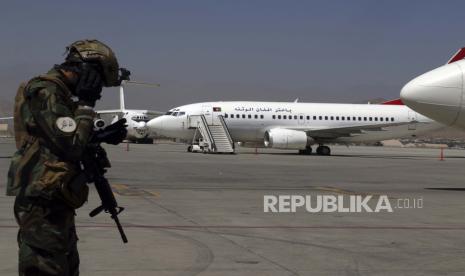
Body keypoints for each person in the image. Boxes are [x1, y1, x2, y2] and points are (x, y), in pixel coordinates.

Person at [7, 39, 128, 276]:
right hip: (42, 201)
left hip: (55, 196)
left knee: (65, 265)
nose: (98, 89)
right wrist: (85, 106)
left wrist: (99, 136)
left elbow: (63, 140)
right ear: (87, 69)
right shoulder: (46, 91)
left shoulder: (60, 95)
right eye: (98, 81)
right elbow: (70, 145)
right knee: (47, 267)